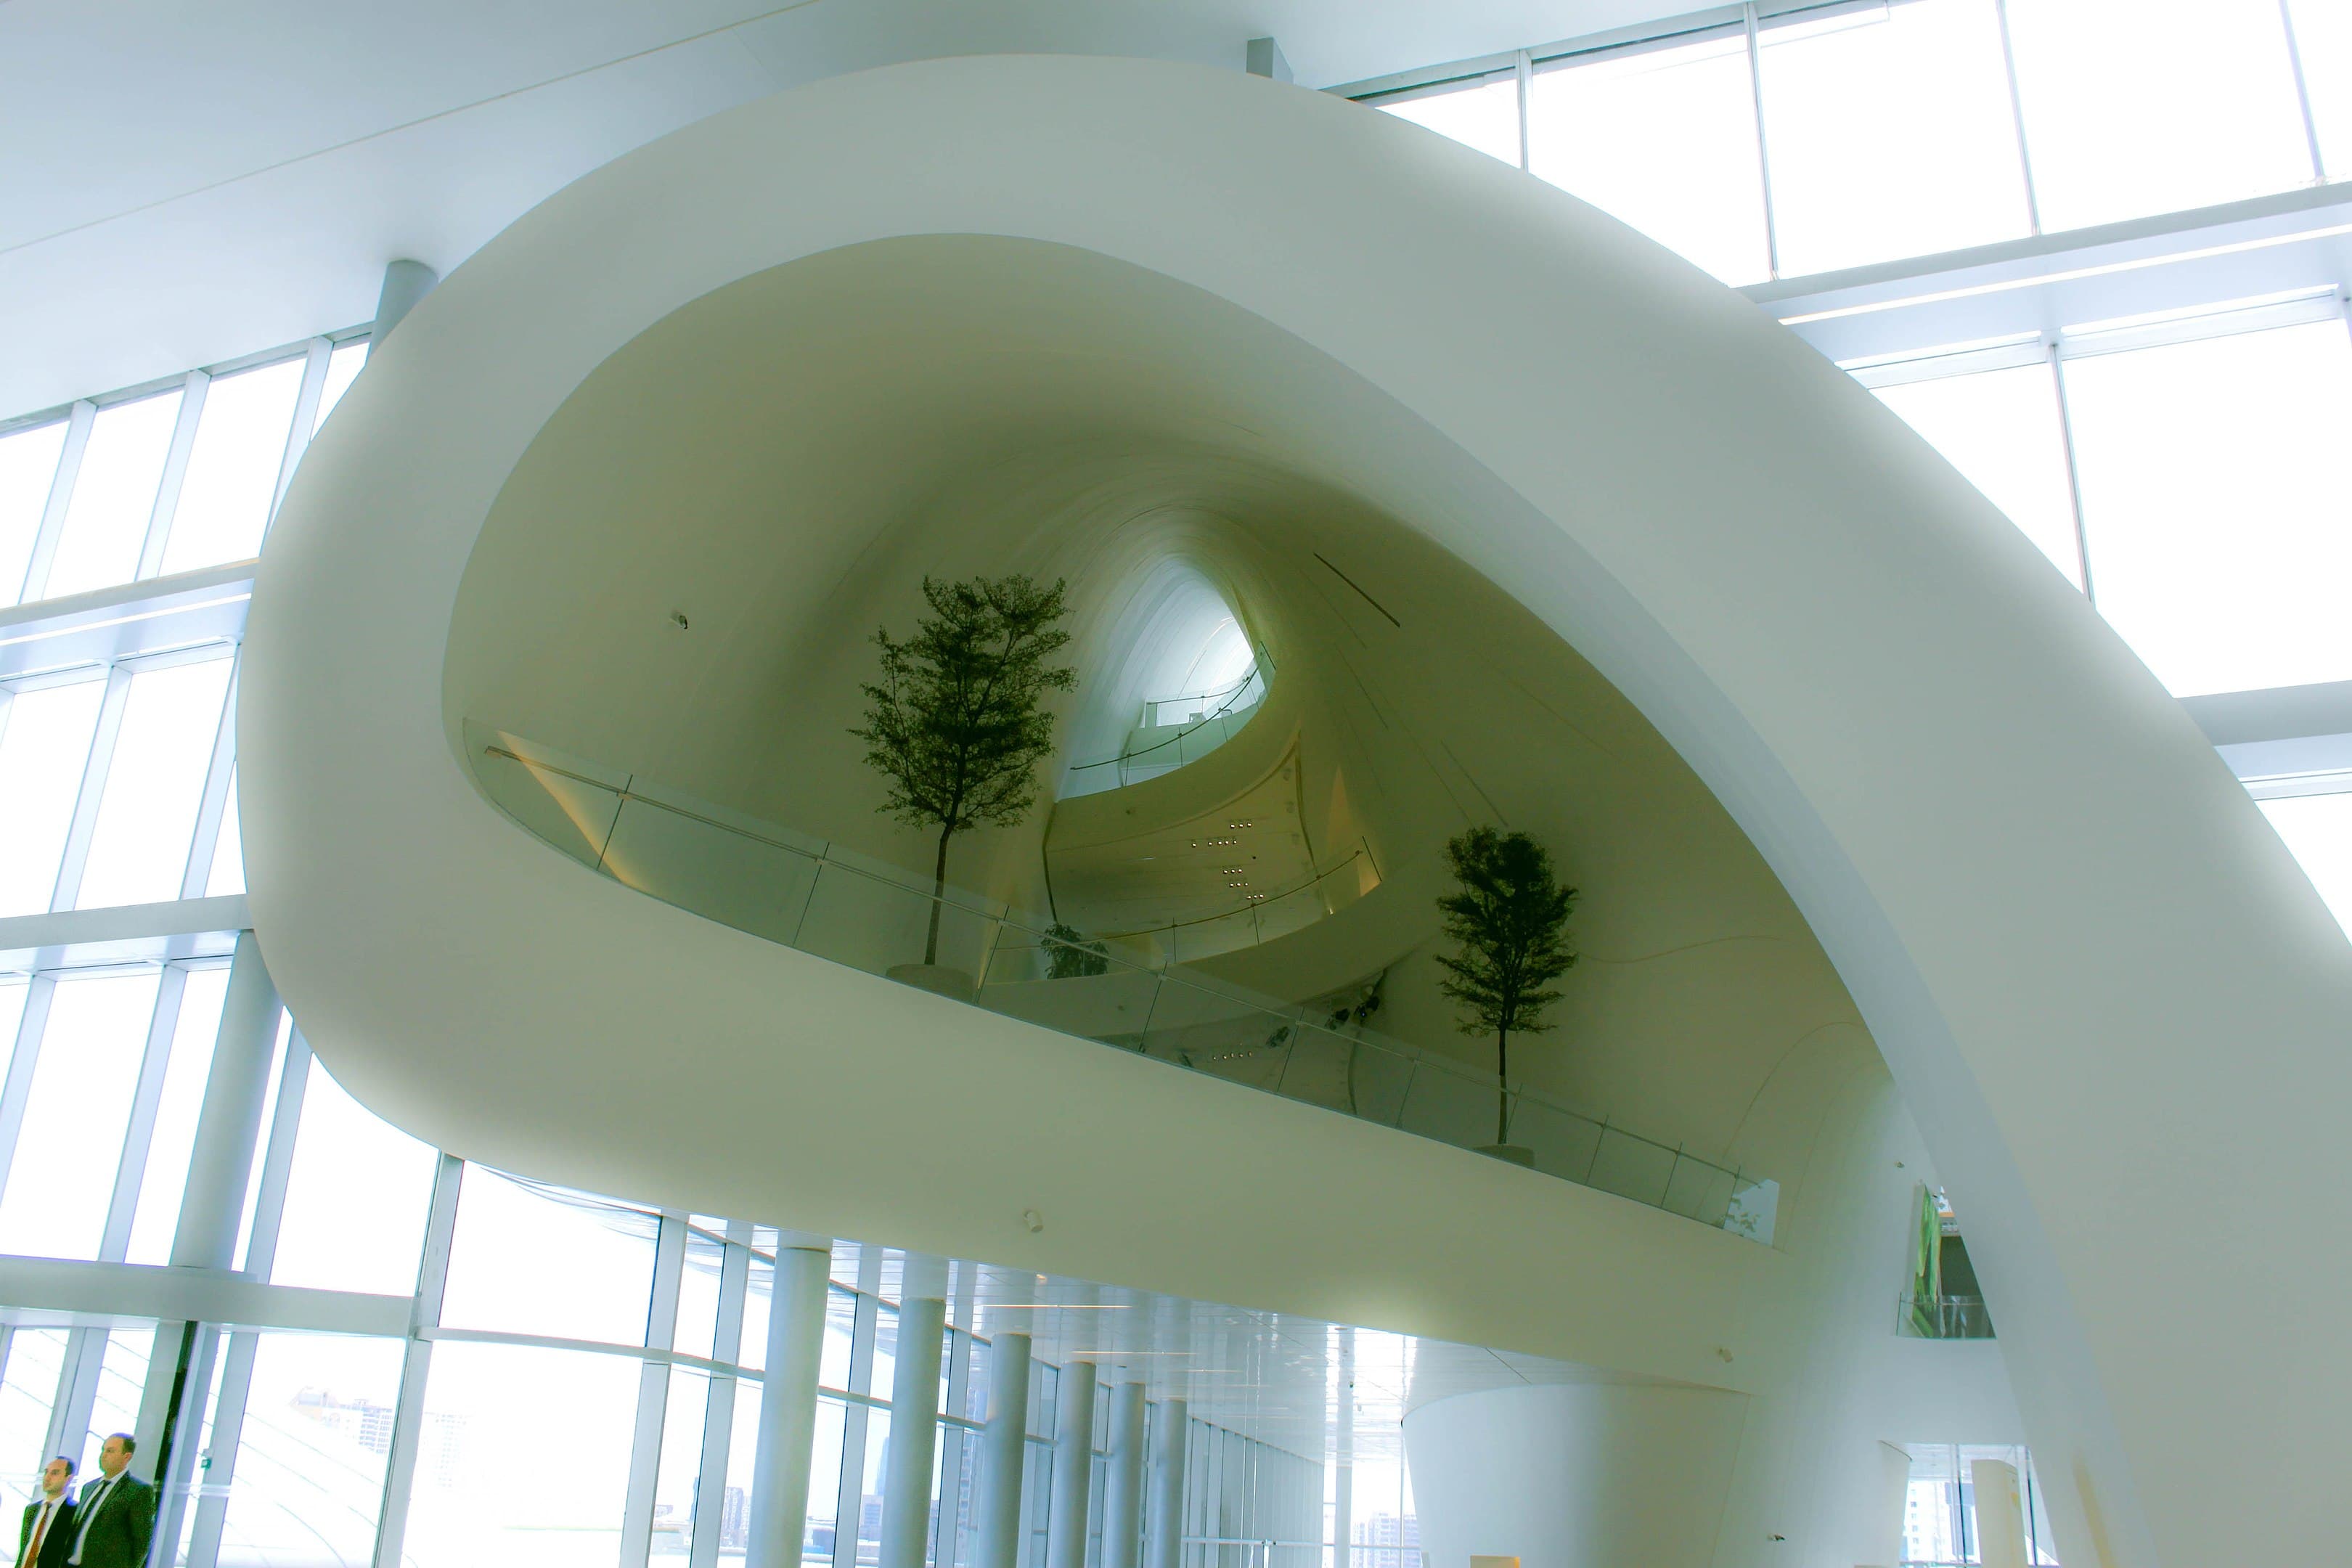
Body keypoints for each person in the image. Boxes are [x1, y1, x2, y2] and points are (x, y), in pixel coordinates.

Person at [60, 1437, 148, 1568]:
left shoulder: (138, 1490)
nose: (103, 1455)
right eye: (103, 1450)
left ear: (127, 1457)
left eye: (110, 1451)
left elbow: (142, 1541)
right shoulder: (89, 1487)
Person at [18, 1456, 75, 1568]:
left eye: (55, 1473)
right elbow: (24, 1548)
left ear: (68, 1479)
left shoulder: (74, 1511)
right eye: (46, 1472)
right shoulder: (32, 1509)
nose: (47, 1478)